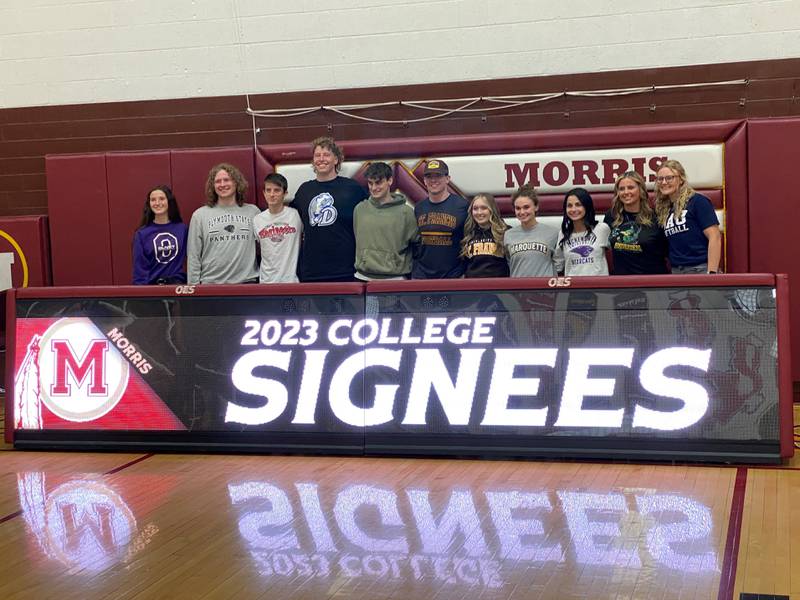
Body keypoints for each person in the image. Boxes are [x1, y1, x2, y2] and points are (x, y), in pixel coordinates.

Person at [293, 137, 366, 282]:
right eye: (317, 155)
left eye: (326, 155)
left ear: (336, 159)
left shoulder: (352, 188)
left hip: (346, 271)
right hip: (312, 272)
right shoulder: (304, 191)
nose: (321, 159)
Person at [187, 163, 260, 284]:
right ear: (212, 186)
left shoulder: (253, 212)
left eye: (227, 180)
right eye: (217, 181)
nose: (222, 185)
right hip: (211, 284)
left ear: (236, 183)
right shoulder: (199, 215)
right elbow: (193, 256)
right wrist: (193, 289)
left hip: (246, 283)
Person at [353, 162, 418, 280]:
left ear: (390, 181)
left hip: (395, 279)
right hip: (362, 277)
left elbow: (416, 246)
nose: (373, 188)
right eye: (370, 183)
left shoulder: (406, 213)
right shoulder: (360, 209)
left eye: (378, 182)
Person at [654, 159, 722, 274]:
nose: (664, 182)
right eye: (660, 179)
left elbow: (714, 237)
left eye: (669, 178)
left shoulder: (697, 201)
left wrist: (712, 273)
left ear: (681, 179)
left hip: (701, 268)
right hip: (676, 271)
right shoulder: (664, 209)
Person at [411, 159, 469, 279]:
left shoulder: (462, 206)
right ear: (424, 181)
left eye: (438, 176)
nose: (433, 180)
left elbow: (468, 240)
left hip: (453, 276)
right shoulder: (419, 208)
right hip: (422, 276)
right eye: (429, 176)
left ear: (448, 179)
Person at [604, 171, 668, 275]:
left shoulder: (656, 217)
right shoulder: (611, 216)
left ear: (640, 190)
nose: (626, 192)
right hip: (622, 285)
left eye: (630, 187)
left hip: (653, 284)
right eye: (621, 189)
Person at [132, 185, 188, 285]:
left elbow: (191, 261)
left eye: (161, 199)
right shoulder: (141, 234)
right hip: (153, 290)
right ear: (149, 204)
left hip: (178, 288)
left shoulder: (183, 230)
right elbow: (139, 270)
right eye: (153, 200)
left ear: (169, 202)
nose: (157, 203)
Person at [252, 172, 303, 283]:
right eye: (268, 190)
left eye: (277, 190)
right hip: (266, 281)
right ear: (264, 193)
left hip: (291, 281)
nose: (272, 194)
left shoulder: (295, 215)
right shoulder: (257, 220)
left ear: (285, 193)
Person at [504, 184, 558, 277]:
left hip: (546, 290)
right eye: (518, 208)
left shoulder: (553, 233)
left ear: (536, 207)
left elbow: (559, 265)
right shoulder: (508, 235)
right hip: (518, 290)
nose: (522, 212)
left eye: (526, 207)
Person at [553, 187, 610, 276]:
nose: (573, 209)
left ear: (586, 206)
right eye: (569, 206)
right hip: (573, 288)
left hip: (599, 287)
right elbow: (557, 266)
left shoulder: (602, 229)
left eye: (578, 204)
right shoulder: (563, 234)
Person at [460, 193, 509, 278]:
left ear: (491, 209)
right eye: (475, 209)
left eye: (484, 208)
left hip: (499, 288)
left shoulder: (505, 232)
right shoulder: (468, 233)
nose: (479, 212)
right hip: (473, 287)